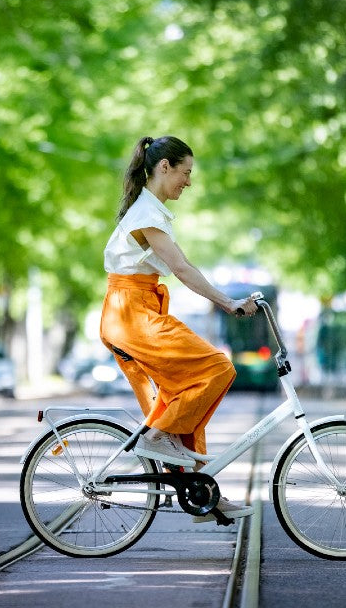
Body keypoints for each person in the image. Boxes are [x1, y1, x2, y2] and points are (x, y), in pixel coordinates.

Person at [99, 135, 259, 522]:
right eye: (185, 173)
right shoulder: (146, 216)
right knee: (217, 367)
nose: (188, 182)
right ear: (164, 167)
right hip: (132, 315)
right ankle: (156, 436)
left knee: (185, 394)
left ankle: (201, 493)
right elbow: (183, 269)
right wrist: (228, 302)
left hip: (137, 311)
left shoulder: (147, 211)